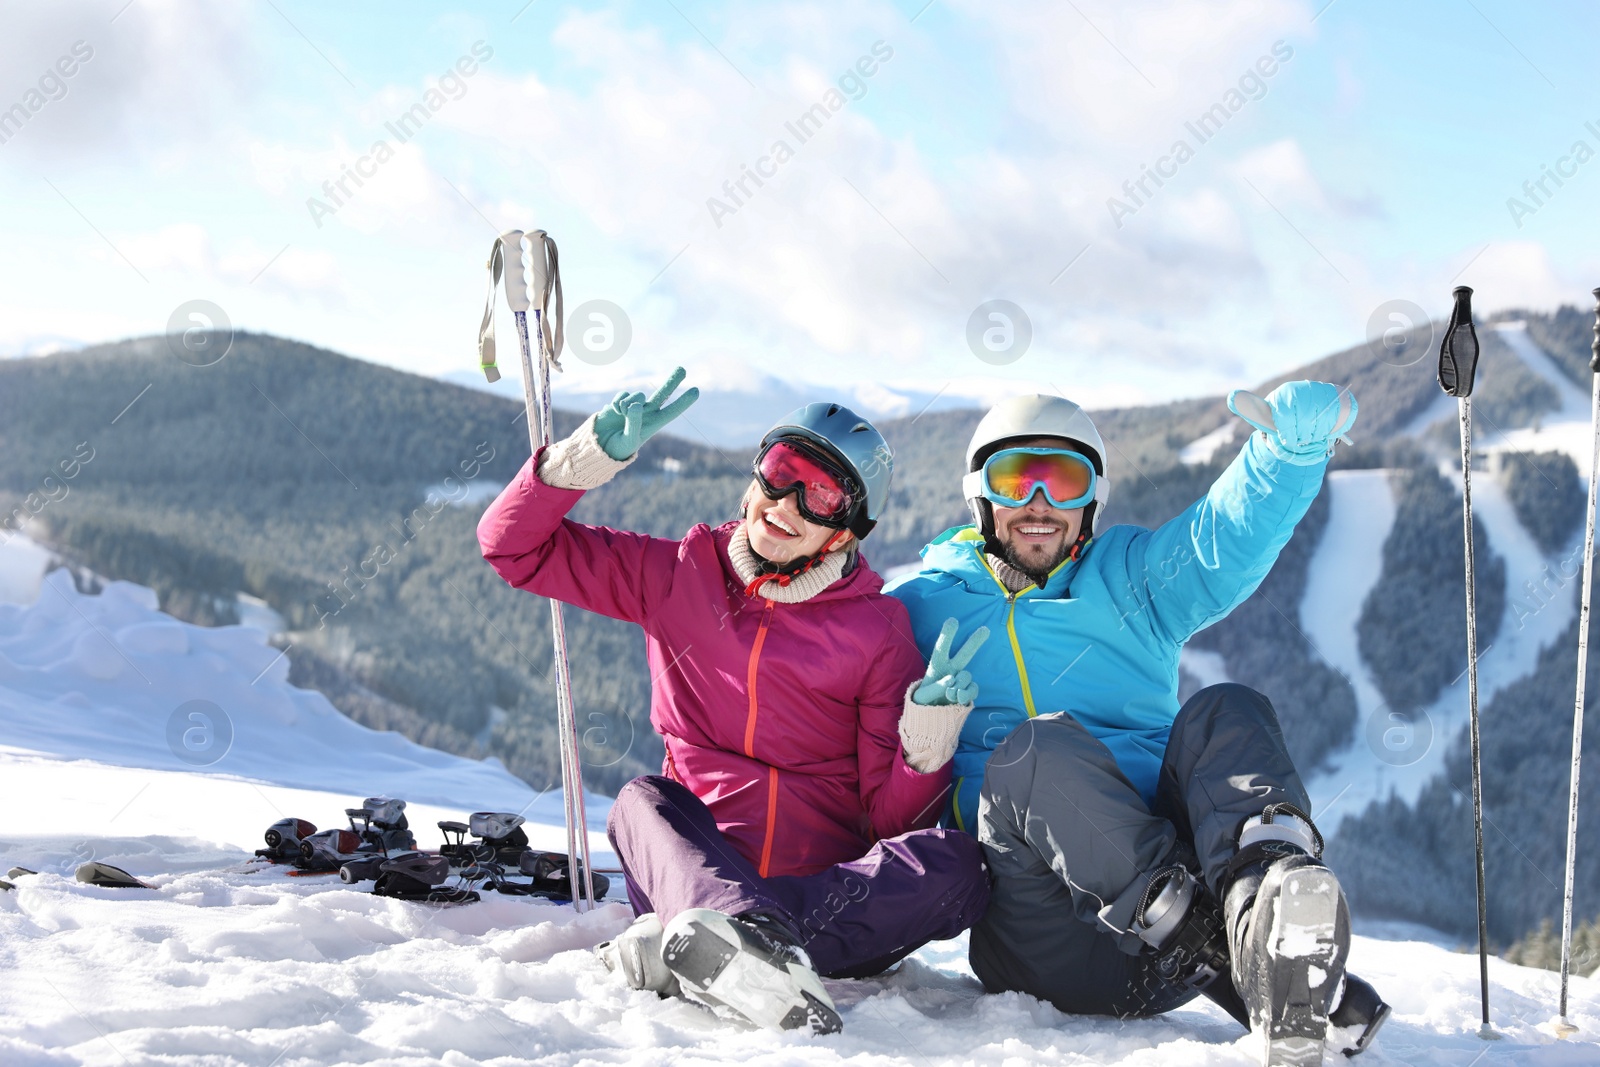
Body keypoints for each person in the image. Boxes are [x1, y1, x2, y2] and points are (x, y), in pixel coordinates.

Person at [886, 383, 1390, 1064]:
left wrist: (1288, 456)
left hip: (1165, 956)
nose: (1039, 504)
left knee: (1227, 708)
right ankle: (1228, 958)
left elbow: (1222, 540)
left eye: (1064, 481)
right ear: (981, 494)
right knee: (1033, 751)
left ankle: (1263, 911)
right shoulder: (920, 607)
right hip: (1040, 934)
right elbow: (831, 687)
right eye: (1016, 480)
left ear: (1092, 499)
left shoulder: (1132, 580)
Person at [478, 369, 992, 1036]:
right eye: (779, 471)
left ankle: (714, 944)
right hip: (694, 871)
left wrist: (928, 742)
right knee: (642, 800)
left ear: (846, 529)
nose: (786, 502)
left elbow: (891, 823)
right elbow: (512, 547)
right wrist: (580, 461)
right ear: (754, 478)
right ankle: (726, 936)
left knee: (958, 864)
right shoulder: (676, 575)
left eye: (820, 493)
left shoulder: (877, 629)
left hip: (824, 896)